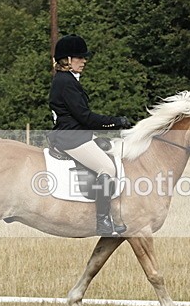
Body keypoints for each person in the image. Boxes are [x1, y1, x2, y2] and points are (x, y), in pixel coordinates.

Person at [48, 34, 130, 236]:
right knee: (107, 168)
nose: (84, 61)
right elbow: (85, 117)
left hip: (76, 134)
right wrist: (115, 122)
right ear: (67, 59)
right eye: (80, 57)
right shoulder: (66, 82)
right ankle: (103, 221)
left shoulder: (66, 80)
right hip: (72, 138)